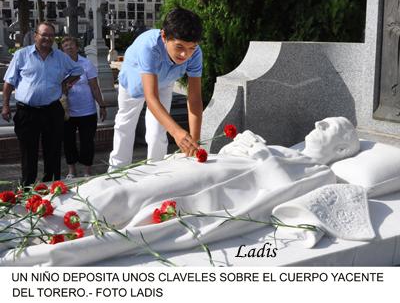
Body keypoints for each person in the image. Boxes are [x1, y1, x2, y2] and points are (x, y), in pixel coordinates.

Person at [0, 117, 364, 266]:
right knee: (111, 183)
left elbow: (281, 191)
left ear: (344, 148)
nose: (318, 123)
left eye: (330, 126)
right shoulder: (293, 149)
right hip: (203, 167)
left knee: (125, 198)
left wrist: (259, 152)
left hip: (210, 186)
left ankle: (45, 230)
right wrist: (242, 145)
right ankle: (31, 218)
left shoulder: (320, 172)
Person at [108, 7, 203, 171]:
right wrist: (178, 133)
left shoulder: (195, 53)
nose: (185, 55)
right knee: (125, 124)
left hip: (164, 82)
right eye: (179, 47)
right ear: (164, 36)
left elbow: (194, 98)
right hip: (134, 82)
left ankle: (156, 171)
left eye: (191, 48)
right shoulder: (149, 47)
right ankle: (116, 171)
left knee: (158, 131)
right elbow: (151, 98)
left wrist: (194, 142)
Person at [1, 22, 83, 186]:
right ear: (35, 36)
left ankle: (52, 187)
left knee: (52, 152)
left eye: (51, 36)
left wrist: (65, 83)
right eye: (44, 35)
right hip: (27, 112)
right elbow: (9, 82)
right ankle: (27, 188)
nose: (47, 39)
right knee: (28, 152)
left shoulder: (60, 56)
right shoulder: (22, 55)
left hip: (52, 111)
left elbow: (78, 71)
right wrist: (5, 105)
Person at [61, 36, 107, 179]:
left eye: (71, 44)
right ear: (62, 49)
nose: (69, 47)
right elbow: (57, 89)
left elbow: (94, 86)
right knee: (69, 142)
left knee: (87, 142)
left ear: (77, 47)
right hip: (68, 112)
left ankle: (87, 171)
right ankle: (72, 171)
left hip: (87, 111)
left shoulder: (86, 64)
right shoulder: (61, 65)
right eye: (65, 45)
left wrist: (102, 105)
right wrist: (65, 88)